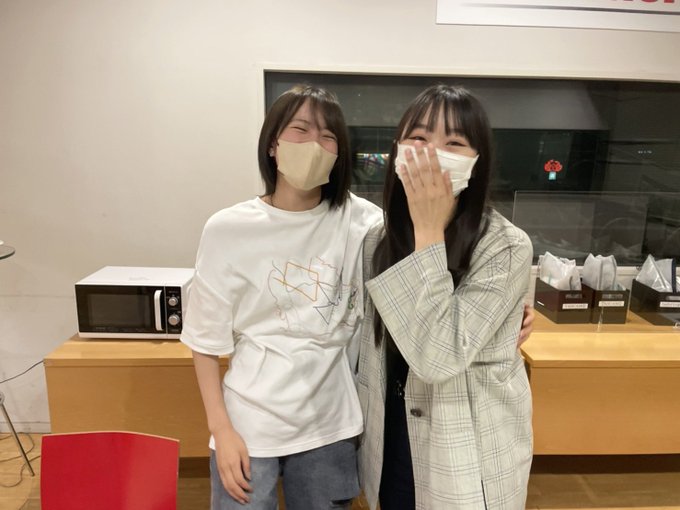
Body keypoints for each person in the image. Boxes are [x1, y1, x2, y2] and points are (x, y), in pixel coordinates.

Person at [179, 85, 383, 510]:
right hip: (248, 424)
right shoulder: (228, 229)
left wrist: (513, 307)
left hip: (330, 426)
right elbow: (204, 342)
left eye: (328, 136)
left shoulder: (364, 222)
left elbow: (418, 273)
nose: (315, 144)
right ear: (273, 143)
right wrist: (222, 431)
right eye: (300, 130)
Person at [357, 84, 534, 510]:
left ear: (476, 160)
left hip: (465, 442)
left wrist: (429, 231)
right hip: (391, 427)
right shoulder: (377, 240)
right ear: (398, 151)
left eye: (454, 143)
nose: (433, 154)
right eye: (419, 138)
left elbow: (437, 358)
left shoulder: (505, 245)